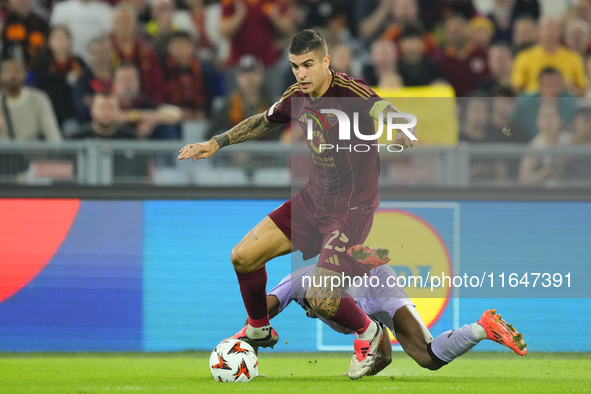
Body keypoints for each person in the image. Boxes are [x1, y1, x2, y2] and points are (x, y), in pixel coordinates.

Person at [179, 29, 417, 381]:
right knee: (242, 256)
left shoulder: (352, 92)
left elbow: (385, 109)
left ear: (325, 61)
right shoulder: (297, 95)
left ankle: (371, 335)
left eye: (308, 65)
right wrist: (218, 142)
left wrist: (399, 128)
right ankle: (259, 328)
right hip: (311, 200)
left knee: (321, 296)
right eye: (294, 67)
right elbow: (263, 120)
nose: (301, 74)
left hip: (349, 211)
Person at [260, 264, 527, 375]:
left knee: (427, 355)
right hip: (375, 295)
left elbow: (262, 311)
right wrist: (365, 372)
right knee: (427, 358)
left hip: (377, 280)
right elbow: (384, 354)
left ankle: (483, 328)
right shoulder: (345, 315)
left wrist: (244, 337)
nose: (311, 314)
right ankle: (482, 329)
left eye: (311, 310)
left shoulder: (297, 281)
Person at [511, 17, 587, 96]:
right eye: (546, 29)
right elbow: (516, 88)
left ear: (560, 32)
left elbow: (582, 89)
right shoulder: (524, 57)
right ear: (538, 32)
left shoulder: (573, 57)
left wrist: (570, 89)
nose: (550, 33)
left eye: (554, 29)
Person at [32, 25, 85, 135]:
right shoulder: (43, 62)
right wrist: (65, 80)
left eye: (63, 38)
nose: (60, 42)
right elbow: (43, 83)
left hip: (72, 111)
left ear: (70, 41)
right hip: (49, 108)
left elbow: (85, 82)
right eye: (56, 38)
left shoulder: (78, 62)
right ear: (49, 42)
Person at [113, 63, 182, 139]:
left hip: (143, 145)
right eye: (124, 80)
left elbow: (176, 114)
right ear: (115, 83)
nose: (128, 84)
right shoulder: (109, 101)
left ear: (138, 82)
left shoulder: (143, 102)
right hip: (113, 144)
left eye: (131, 80)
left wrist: (152, 121)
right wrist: (140, 116)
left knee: (166, 128)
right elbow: (109, 116)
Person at [0, 58, 61, 142]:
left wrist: (56, 152)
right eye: (7, 71)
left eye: (17, 70)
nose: (12, 75)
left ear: (25, 74)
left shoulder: (39, 99)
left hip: (31, 151)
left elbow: (53, 134)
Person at [49, 0, 114, 63]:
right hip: (70, 62)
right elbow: (56, 36)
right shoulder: (61, 9)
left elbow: (109, 37)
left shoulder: (106, 10)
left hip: (97, 61)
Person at [73, 35, 115, 124]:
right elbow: (82, 109)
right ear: (90, 55)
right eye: (97, 52)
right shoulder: (82, 80)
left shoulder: (119, 76)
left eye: (105, 52)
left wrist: (94, 102)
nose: (101, 56)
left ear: (111, 53)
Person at [1, 0, 48, 68]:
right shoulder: (4, 23)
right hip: (10, 69)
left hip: (37, 69)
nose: (22, 1)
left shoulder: (40, 22)